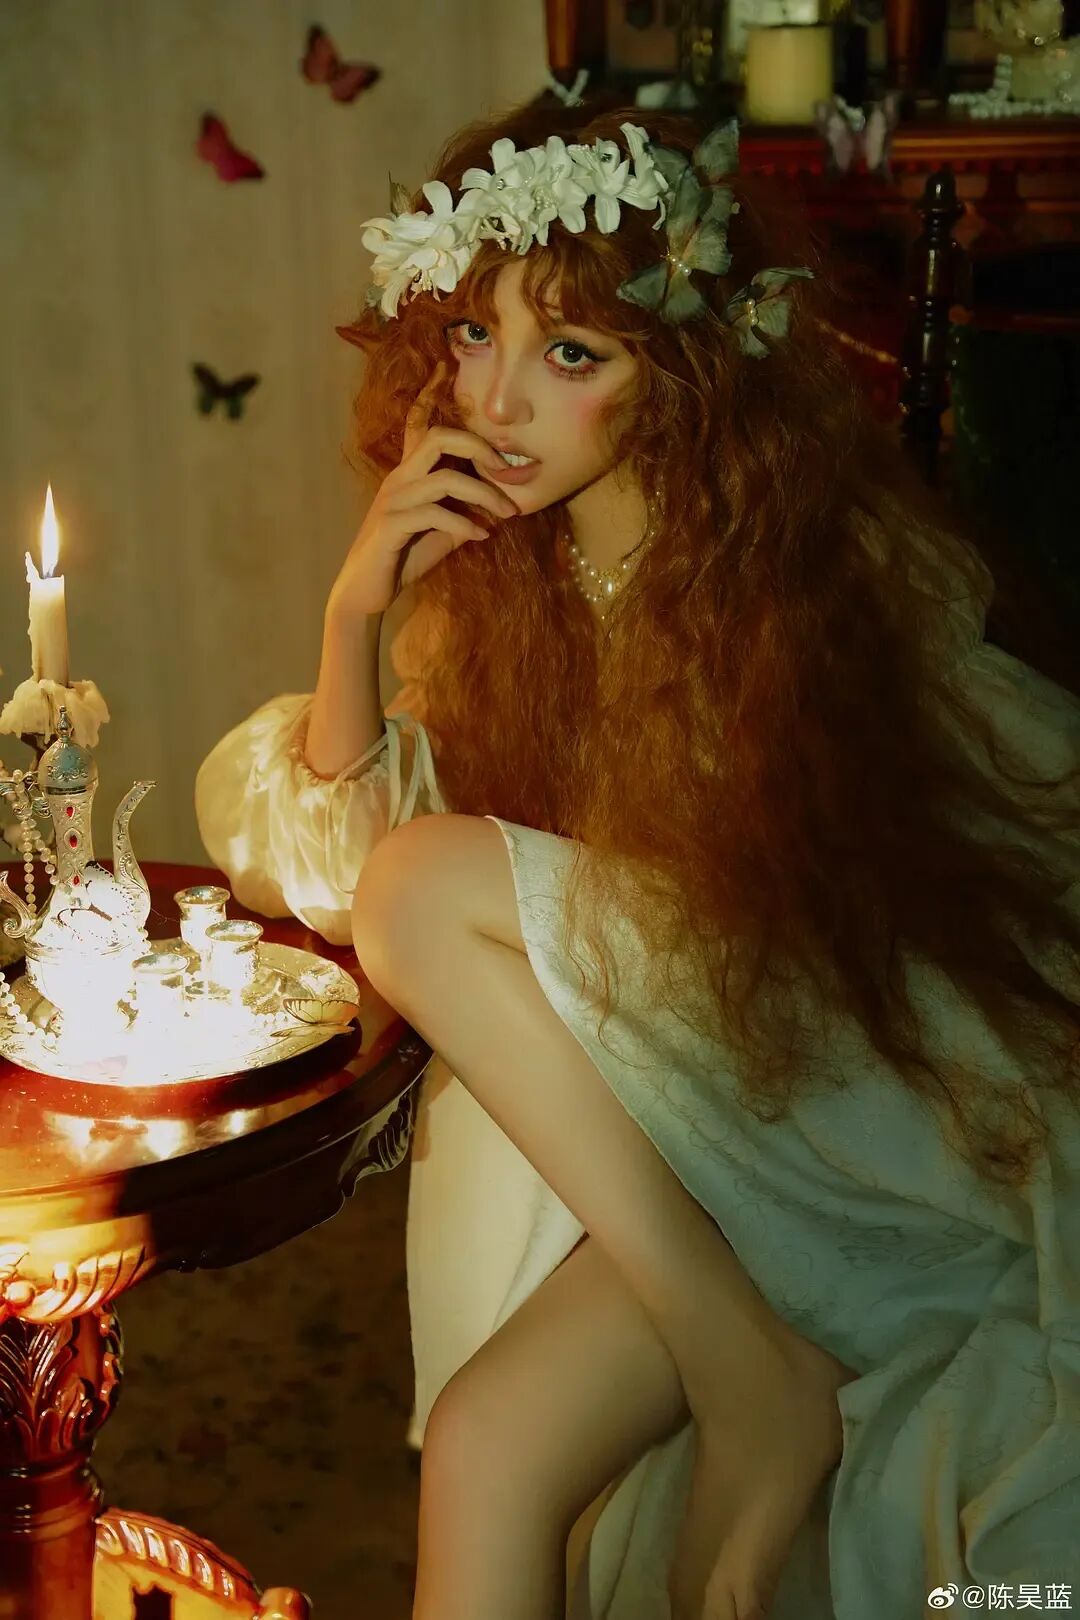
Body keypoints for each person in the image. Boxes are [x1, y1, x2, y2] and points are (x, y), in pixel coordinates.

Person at [194, 101, 1080, 1620]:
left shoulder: (787, 564)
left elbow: (781, 921)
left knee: (425, 884)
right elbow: (328, 878)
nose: (499, 400)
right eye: (474, 334)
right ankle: (750, 1362)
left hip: (813, 1074)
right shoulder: (512, 579)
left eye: (572, 353)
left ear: (681, 370)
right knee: (486, 1446)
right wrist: (355, 613)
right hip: (664, 1126)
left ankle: (749, 1372)